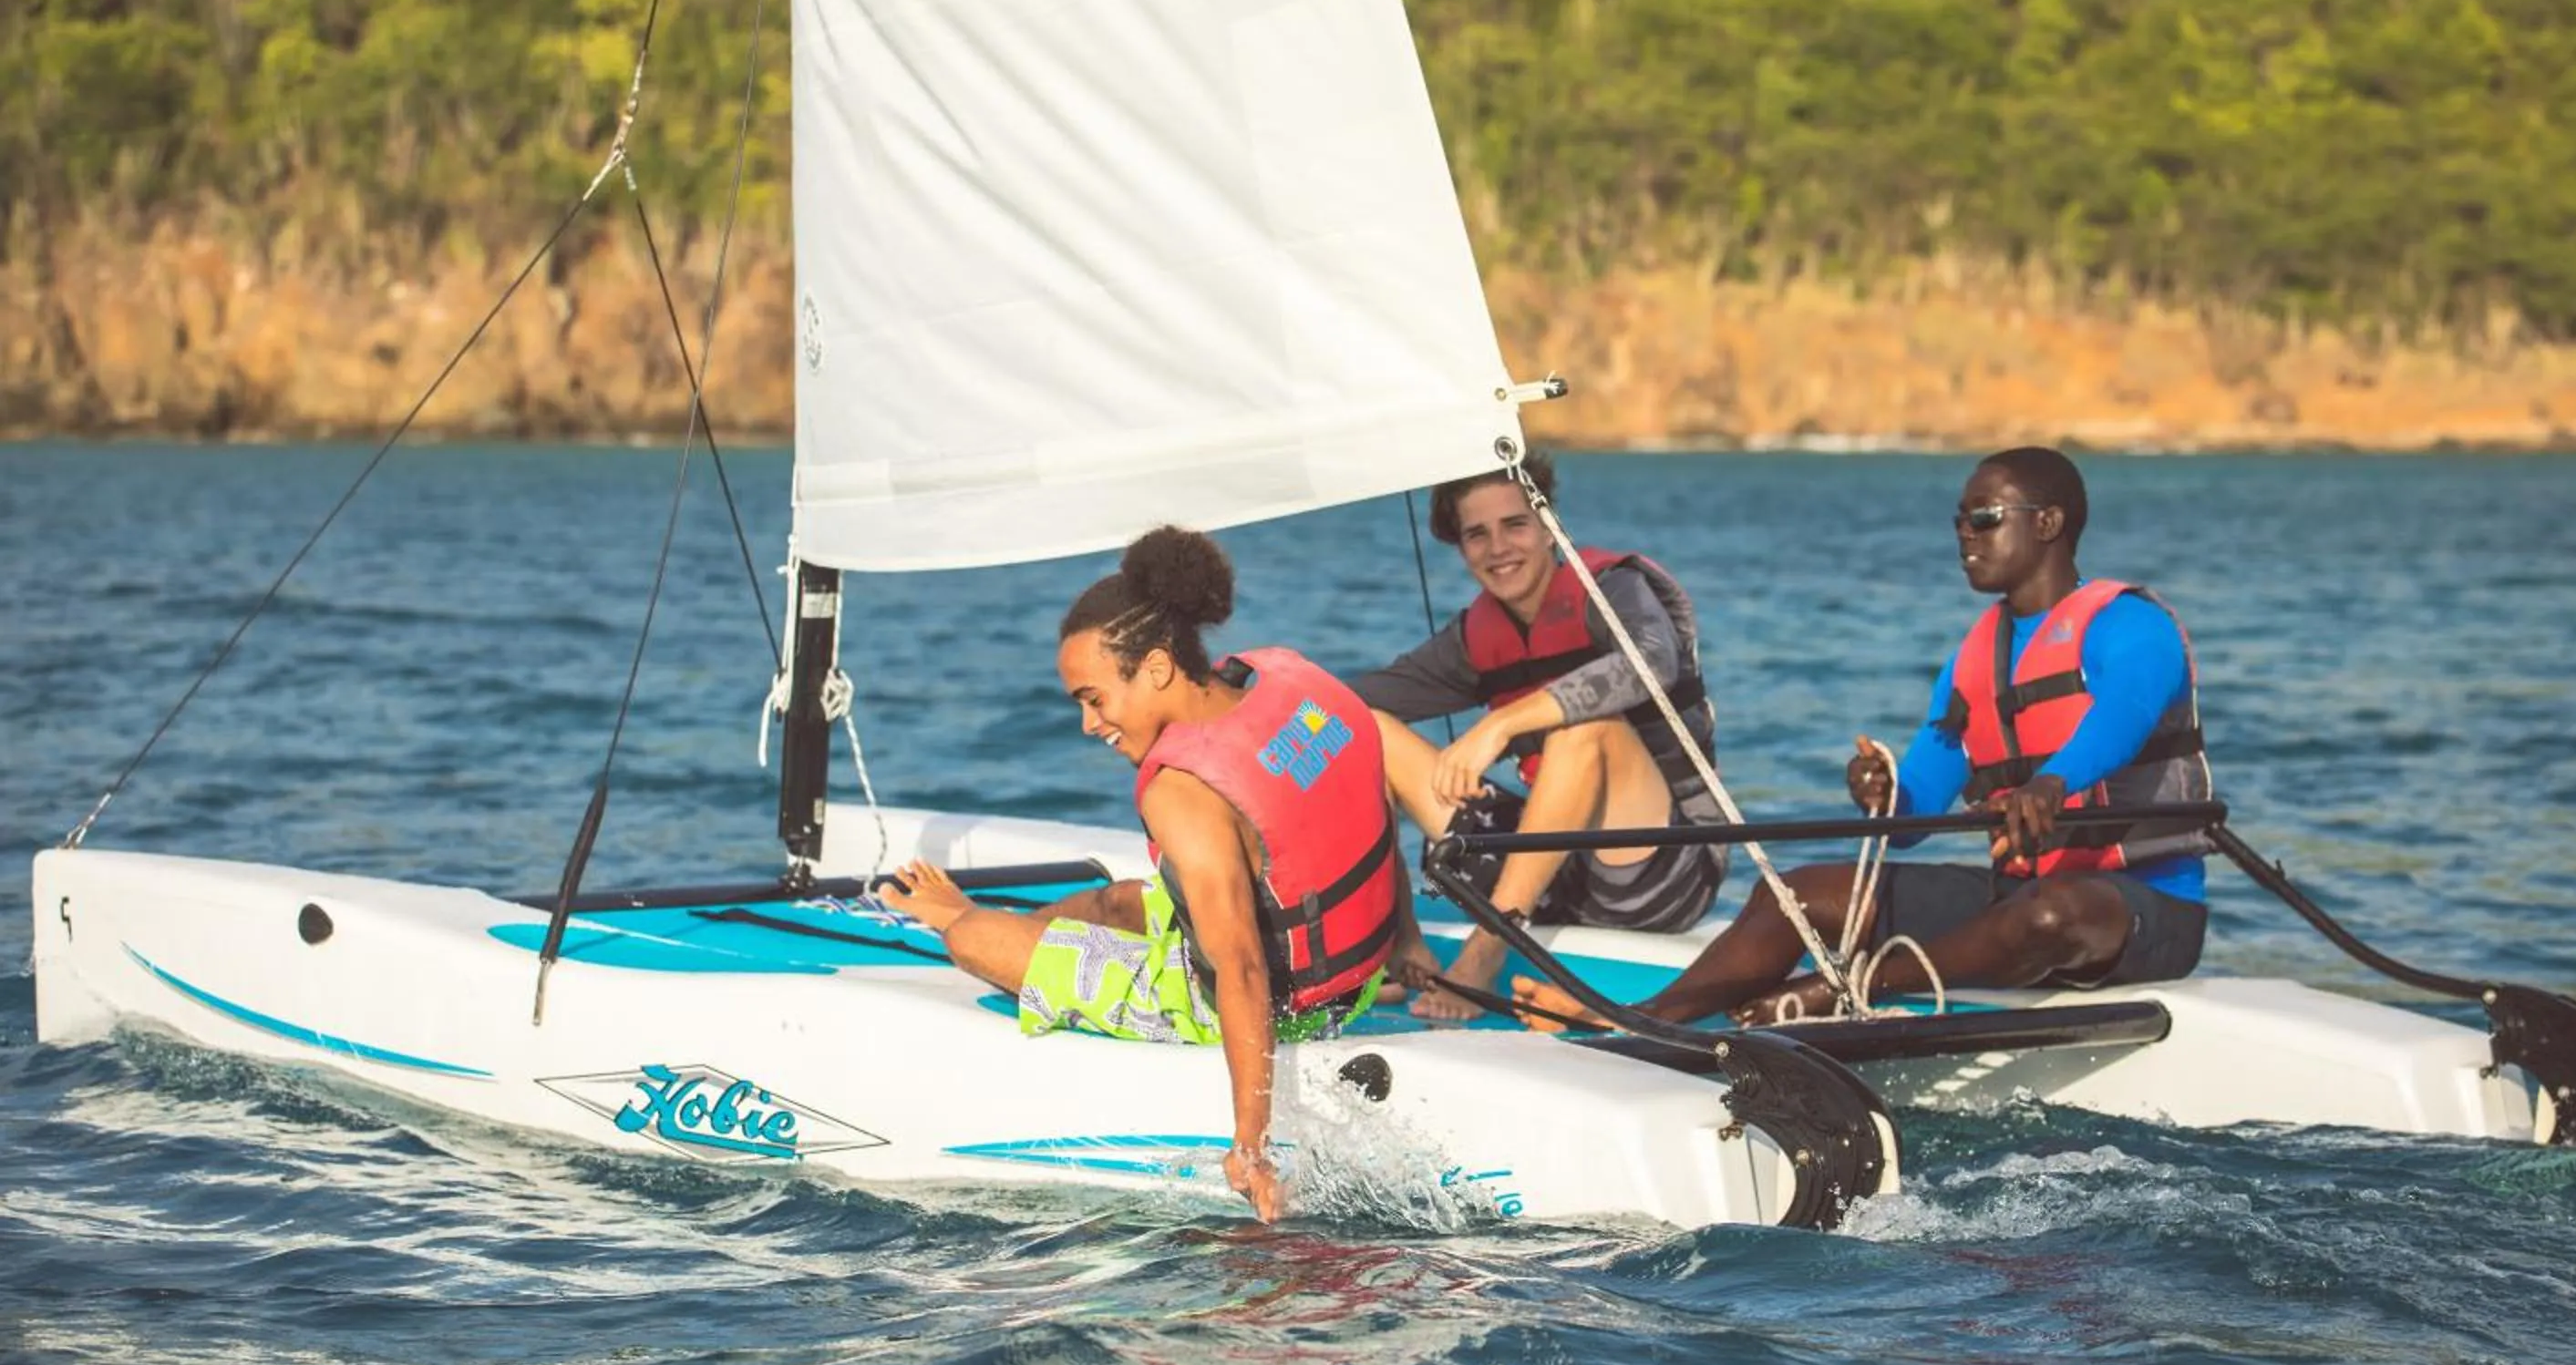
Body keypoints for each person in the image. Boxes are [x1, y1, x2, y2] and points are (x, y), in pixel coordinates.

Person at [1517, 446, 2210, 1031]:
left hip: (2141, 909)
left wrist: (2052, 782)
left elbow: (2123, 718)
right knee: (1800, 893)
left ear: (2050, 523)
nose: (1964, 536)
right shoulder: (1976, 660)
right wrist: (1885, 793)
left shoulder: (2130, 625)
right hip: (2015, 900)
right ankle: (1645, 1018)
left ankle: (1848, 990)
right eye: (1958, 522)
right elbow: (1909, 822)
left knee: (2053, 912)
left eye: (1984, 519)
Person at [877, 526, 1399, 1222]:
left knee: (973, 937)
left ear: (1154, 669)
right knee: (1124, 901)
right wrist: (1413, 946)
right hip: (1353, 980)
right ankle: (1045, 931)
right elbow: (1361, 805)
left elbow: (1241, 964)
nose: (1091, 725)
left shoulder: (1180, 790)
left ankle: (955, 912)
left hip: (1263, 1007)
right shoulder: (1288, 680)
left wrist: (1252, 1146)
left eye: (1095, 698)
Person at [1350, 452, 1728, 1022]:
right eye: (1477, 535)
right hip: (1558, 879)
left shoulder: (1615, 591)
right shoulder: (1475, 638)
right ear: (1460, 548)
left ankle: (1486, 950)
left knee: (1584, 731)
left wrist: (1499, 725)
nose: (1499, 548)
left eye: (1515, 524)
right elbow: (1350, 702)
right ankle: (1400, 942)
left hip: (1663, 871)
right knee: (1366, 729)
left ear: (1549, 524)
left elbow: (1652, 663)